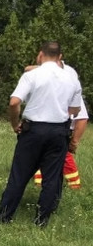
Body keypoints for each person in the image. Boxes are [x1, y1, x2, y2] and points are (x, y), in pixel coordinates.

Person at [0, 41, 82, 227]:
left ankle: (4, 217)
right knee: (51, 178)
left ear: (40, 55)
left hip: (33, 130)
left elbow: (14, 102)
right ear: (60, 57)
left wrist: (15, 123)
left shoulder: (32, 75)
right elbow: (74, 110)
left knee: (19, 175)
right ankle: (41, 221)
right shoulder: (72, 79)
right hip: (59, 131)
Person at [25, 61, 88, 189]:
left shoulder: (71, 89)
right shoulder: (45, 90)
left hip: (61, 132)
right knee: (39, 157)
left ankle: (74, 185)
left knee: (65, 159)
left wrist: (74, 142)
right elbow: (27, 69)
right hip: (43, 130)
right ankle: (39, 183)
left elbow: (82, 118)